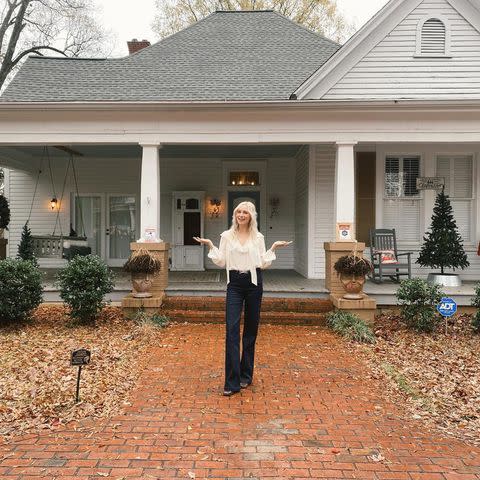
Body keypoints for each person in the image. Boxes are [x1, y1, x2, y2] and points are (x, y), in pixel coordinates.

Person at [194, 201, 292, 396]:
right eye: (238, 211)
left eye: (245, 212)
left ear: (251, 216)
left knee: (250, 330)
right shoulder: (226, 236)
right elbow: (221, 261)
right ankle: (232, 382)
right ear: (234, 215)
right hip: (235, 284)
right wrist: (211, 245)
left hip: (254, 283)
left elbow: (262, 263)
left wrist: (273, 248)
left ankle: (246, 374)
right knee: (231, 330)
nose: (241, 215)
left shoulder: (259, 237)